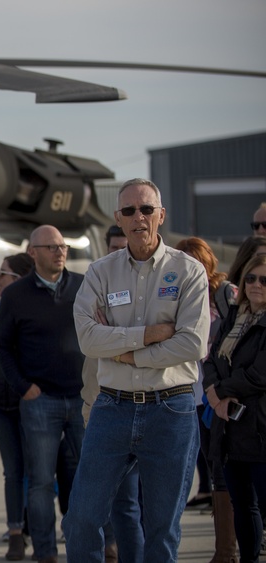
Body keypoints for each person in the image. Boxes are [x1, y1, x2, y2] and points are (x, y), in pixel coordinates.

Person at [68, 178, 209, 562]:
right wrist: (148, 335)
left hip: (171, 409)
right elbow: (88, 340)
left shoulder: (189, 272)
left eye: (147, 209)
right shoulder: (100, 273)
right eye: (129, 210)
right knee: (80, 520)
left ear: (161, 215)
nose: (138, 217)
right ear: (118, 218)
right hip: (112, 407)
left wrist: (128, 352)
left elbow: (193, 344)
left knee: (163, 527)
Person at [0, 225, 86, 563]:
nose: (59, 252)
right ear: (32, 253)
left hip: (81, 399)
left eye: (62, 246)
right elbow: (2, 347)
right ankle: (45, 552)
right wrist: (23, 387)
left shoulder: (83, 285)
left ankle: (84, 546)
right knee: (41, 483)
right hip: (40, 402)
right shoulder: (16, 295)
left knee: (87, 478)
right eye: (50, 247)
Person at [79, 228, 144, 562]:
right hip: (99, 405)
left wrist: (111, 336)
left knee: (130, 504)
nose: (122, 252)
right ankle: (109, 551)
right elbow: (89, 339)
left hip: (142, 405)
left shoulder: (147, 287)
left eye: (125, 247)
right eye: (116, 247)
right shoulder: (97, 281)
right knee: (97, 503)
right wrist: (127, 337)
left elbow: (160, 336)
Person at [176, 237, 240, 562]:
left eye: (193, 260)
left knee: (226, 465)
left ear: (205, 261)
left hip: (221, 393)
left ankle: (230, 547)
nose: (187, 267)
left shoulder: (224, 294)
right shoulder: (176, 294)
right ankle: (225, 549)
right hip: (190, 394)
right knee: (212, 466)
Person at [204, 254, 266, 563]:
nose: (256, 285)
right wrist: (215, 395)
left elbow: (259, 375)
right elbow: (212, 358)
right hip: (229, 430)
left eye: (264, 280)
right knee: (242, 505)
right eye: (251, 279)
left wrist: (218, 391)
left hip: (260, 429)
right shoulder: (234, 318)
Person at [0, 252, 34, 561]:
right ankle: (15, 532)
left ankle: (38, 529)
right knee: (13, 471)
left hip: (32, 404)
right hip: (2, 405)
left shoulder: (36, 311)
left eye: (4, 274)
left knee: (40, 471)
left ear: (21, 279)